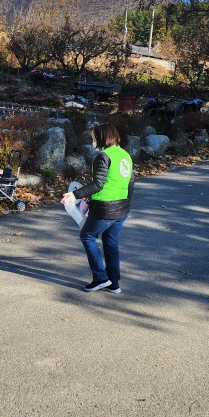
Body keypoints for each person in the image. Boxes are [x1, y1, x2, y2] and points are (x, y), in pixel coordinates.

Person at [61, 123, 134, 293]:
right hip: (122, 208)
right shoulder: (125, 155)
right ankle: (114, 283)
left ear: (102, 137)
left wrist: (75, 195)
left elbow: (98, 184)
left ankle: (100, 278)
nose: (92, 140)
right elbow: (131, 183)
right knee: (111, 243)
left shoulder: (103, 156)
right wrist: (126, 203)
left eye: (94, 137)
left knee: (87, 237)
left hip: (105, 209)